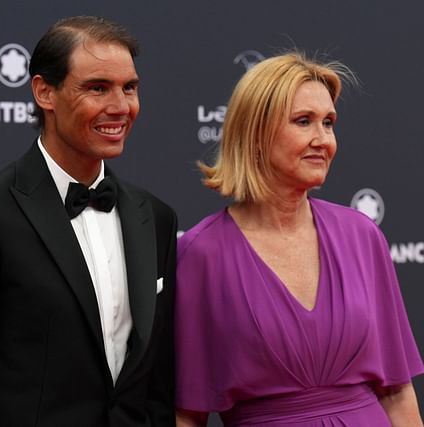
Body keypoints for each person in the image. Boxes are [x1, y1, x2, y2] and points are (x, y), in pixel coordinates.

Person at [0, 15, 177, 427]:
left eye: (129, 87)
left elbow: (157, 388)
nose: (121, 106)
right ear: (44, 92)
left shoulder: (156, 218)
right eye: (97, 88)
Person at [175, 53, 424, 426]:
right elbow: (187, 414)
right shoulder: (201, 254)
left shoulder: (361, 236)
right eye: (303, 122)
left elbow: (398, 393)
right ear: (255, 132)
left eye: (329, 123)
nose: (322, 140)